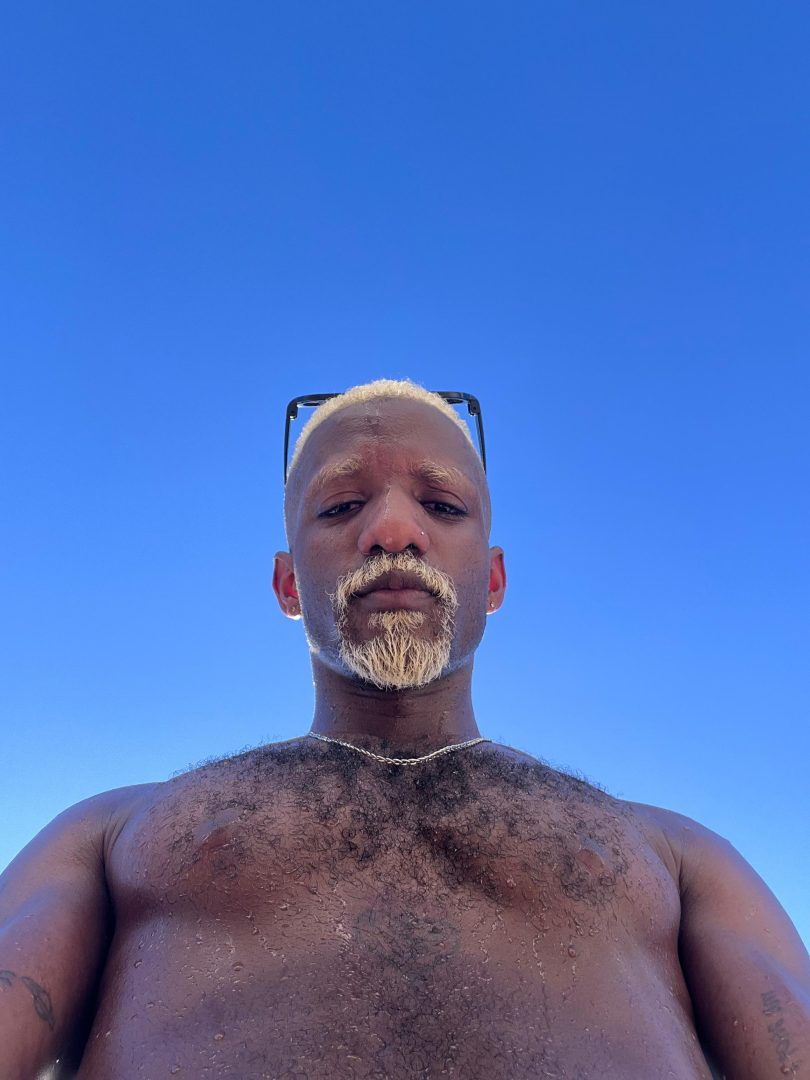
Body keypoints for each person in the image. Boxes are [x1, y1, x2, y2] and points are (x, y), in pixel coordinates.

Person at [1, 379, 808, 1080]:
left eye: (443, 506)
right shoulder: (111, 833)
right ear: (288, 584)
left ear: (494, 579)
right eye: (342, 506)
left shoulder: (675, 854)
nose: (393, 530)